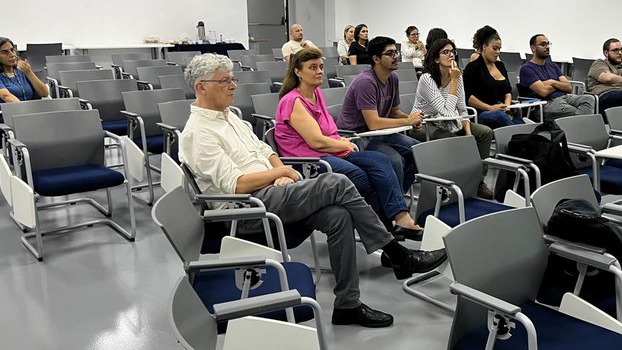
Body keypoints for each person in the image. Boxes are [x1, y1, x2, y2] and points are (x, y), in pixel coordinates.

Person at [179, 54, 446, 328]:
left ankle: (347, 305)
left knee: (338, 215)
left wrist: (279, 171)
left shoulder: (229, 117)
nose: (233, 85)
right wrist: (280, 173)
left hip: (272, 191)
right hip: (247, 209)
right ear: (201, 87)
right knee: (338, 182)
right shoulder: (199, 133)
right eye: (225, 81)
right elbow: (236, 184)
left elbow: (264, 150)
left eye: (233, 79)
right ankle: (398, 254)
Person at [275, 47, 424, 239]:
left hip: (332, 151)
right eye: (312, 67)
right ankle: (387, 233)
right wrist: (343, 144)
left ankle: (400, 218)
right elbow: (316, 141)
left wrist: (340, 140)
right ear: (298, 71)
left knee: (380, 160)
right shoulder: (292, 101)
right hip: (310, 160)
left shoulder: (315, 93)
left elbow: (328, 131)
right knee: (363, 177)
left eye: (321, 67)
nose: (319, 71)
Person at [337, 36, 424, 192]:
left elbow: (394, 112)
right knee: (395, 160)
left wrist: (411, 119)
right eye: (390, 54)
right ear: (376, 59)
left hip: (380, 133)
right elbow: (374, 123)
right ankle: (394, 201)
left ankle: (397, 194)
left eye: (396, 52)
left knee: (419, 151)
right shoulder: (366, 82)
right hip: (357, 136)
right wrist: (408, 122)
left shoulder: (393, 78)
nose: (395, 56)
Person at [413, 38, 495, 199]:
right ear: (436, 59)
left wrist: (469, 134)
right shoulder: (427, 79)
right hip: (423, 123)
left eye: (452, 52)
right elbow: (447, 112)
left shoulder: (457, 76)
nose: (451, 55)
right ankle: (454, 183)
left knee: (485, 133)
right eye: (445, 52)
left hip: (449, 122)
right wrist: (455, 80)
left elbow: (462, 109)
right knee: (450, 138)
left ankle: (478, 181)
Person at [518, 34, 594, 119]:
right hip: (546, 103)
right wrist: (559, 85)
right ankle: (584, 123)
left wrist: (552, 82)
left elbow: (569, 87)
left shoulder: (552, 66)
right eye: (543, 44)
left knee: (589, 98)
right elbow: (543, 92)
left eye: (548, 44)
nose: (547, 47)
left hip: (565, 97)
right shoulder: (527, 68)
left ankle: (582, 122)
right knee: (576, 112)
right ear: (533, 48)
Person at [462, 26, 524, 128]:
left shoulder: (500, 66)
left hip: (502, 109)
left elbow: (508, 91)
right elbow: (469, 98)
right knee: (501, 116)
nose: (498, 52)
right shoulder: (473, 67)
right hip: (483, 111)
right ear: (484, 47)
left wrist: (507, 107)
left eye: (499, 49)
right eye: (495, 48)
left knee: (516, 118)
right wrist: (490, 108)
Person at [0, 38, 49, 103]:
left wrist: (29, 73)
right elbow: (6, 96)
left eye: (12, 50)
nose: (12, 55)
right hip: (11, 109)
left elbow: (44, 93)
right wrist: (24, 108)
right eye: (5, 52)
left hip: (29, 108)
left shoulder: (23, 71)